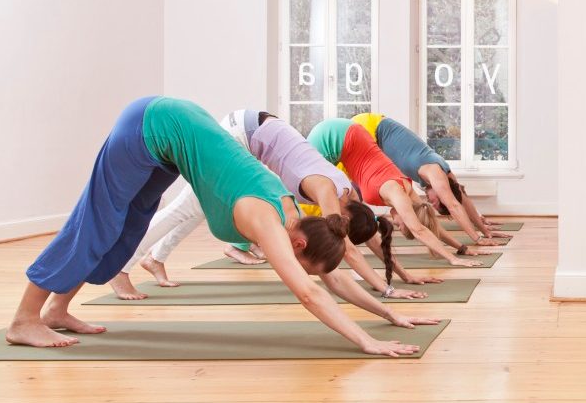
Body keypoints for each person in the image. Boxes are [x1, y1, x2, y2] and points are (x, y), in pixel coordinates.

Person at [7, 96, 437, 353]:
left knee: (126, 229)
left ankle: (58, 310)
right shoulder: (268, 220)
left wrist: (390, 314)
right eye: (298, 262)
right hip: (153, 125)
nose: (291, 266)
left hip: (170, 142)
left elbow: (332, 280)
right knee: (95, 225)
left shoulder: (295, 215)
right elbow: (309, 292)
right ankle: (25, 320)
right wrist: (366, 341)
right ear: (298, 247)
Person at [109, 110, 436, 300]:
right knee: (188, 206)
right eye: (344, 228)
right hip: (241, 134)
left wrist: (398, 276)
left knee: (193, 206)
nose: (337, 230)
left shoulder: (349, 197)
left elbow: (372, 239)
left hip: (252, 136)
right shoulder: (329, 188)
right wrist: (388, 291)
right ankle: (121, 268)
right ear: (345, 211)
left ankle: (155, 259)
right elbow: (349, 250)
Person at [308, 118, 488, 267]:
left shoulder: (410, 194)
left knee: (329, 199)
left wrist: (461, 248)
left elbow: (429, 225)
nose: (397, 224)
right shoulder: (398, 193)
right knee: (310, 200)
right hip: (335, 136)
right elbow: (419, 230)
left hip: (350, 136)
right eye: (402, 226)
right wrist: (453, 259)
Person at [352, 113, 509, 243]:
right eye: (434, 202)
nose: (429, 200)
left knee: (357, 185)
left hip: (374, 129)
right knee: (354, 185)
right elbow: (454, 205)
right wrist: (477, 238)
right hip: (370, 127)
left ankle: (348, 225)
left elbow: (461, 197)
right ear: (441, 194)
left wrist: (484, 229)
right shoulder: (436, 173)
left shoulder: (445, 172)